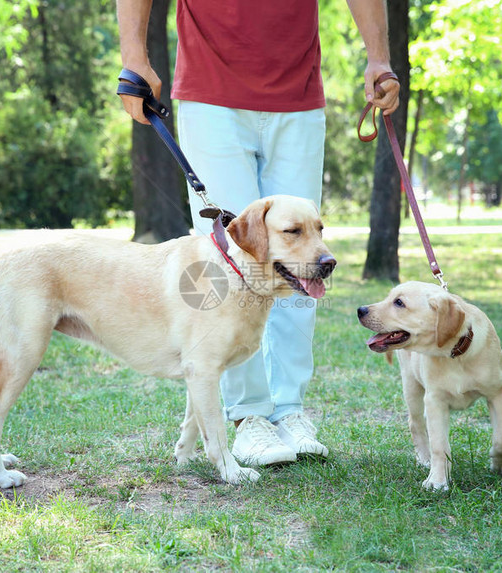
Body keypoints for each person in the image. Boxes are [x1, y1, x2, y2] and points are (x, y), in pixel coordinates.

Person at [117, 0, 400, 467]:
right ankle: (248, 415)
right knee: (225, 261)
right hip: (211, 91)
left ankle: (289, 408)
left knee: (299, 253)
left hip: (298, 94)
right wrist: (134, 56)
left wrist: (378, 57)